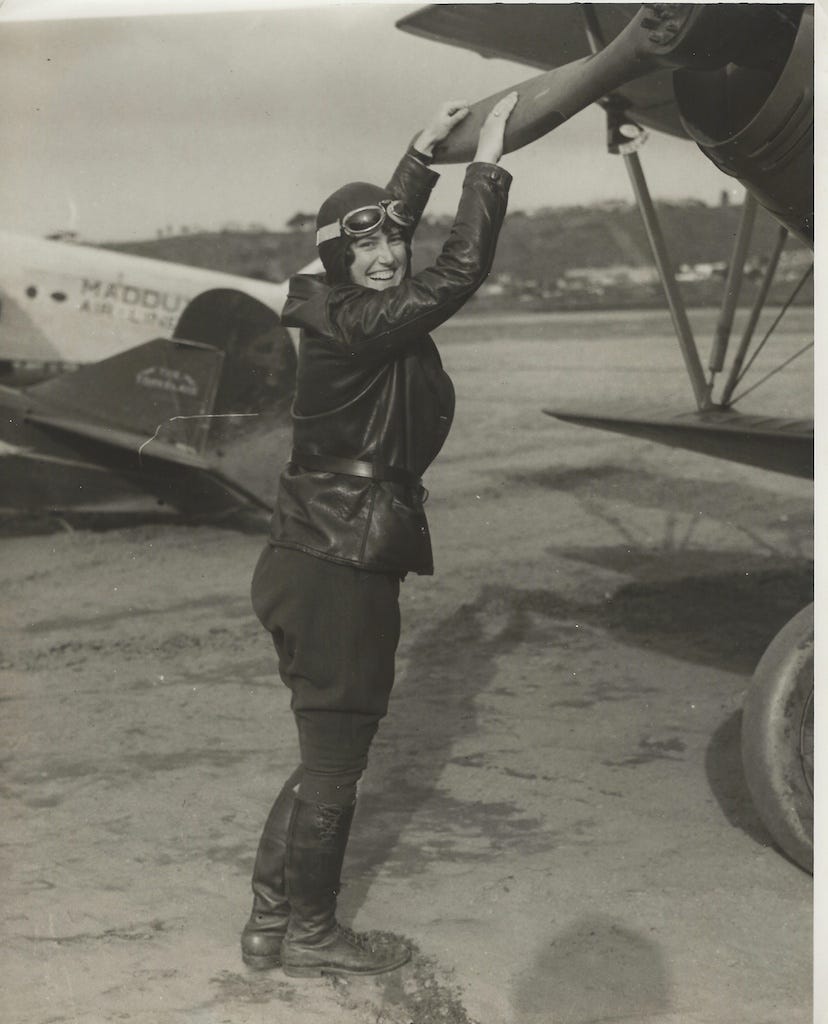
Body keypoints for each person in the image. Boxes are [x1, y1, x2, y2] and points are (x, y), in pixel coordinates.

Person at [241, 92, 518, 979]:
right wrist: (488, 167)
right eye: (363, 247)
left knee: (323, 755)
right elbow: (457, 272)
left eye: (392, 237)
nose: (386, 253)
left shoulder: (335, 309)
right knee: (335, 764)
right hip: (342, 559)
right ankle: (313, 935)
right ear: (336, 258)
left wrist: (420, 157)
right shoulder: (359, 325)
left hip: (314, 552)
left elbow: (388, 244)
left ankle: (270, 924)